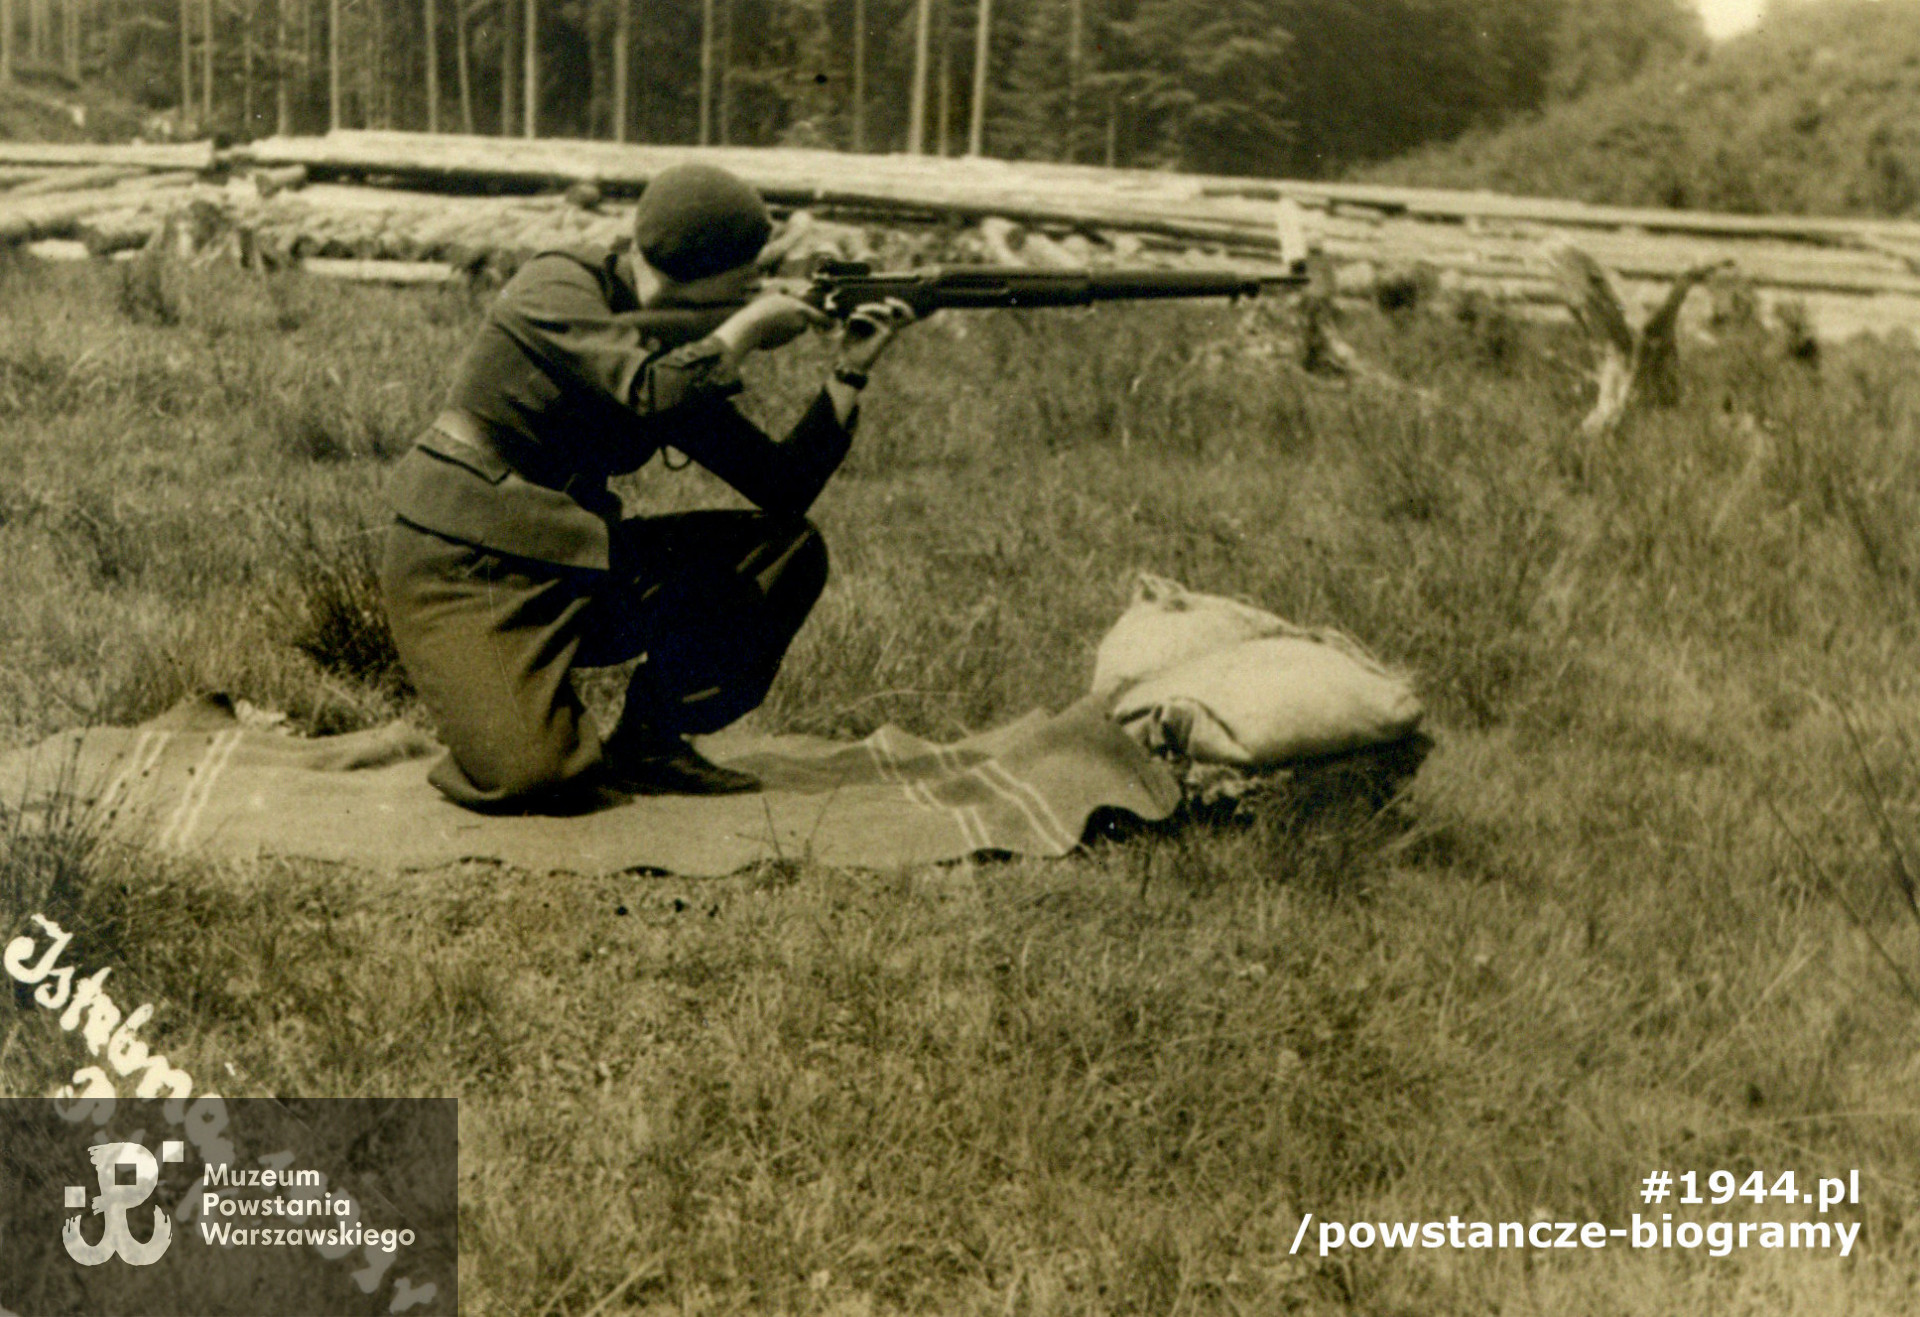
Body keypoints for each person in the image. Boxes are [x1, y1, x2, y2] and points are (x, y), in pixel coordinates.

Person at [379, 163, 914, 810]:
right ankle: (516, 707)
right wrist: (741, 332)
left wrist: (850, 373)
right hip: (463, 570)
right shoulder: (554, 286)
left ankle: (653, 741)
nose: (753, 293)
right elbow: (645, 389)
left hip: (570, 560)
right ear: (709, 276)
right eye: (745, 282)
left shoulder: (672, 359)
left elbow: (781, 486)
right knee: (537, 776)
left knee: (785, 550)